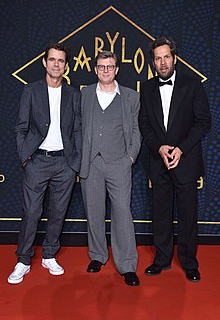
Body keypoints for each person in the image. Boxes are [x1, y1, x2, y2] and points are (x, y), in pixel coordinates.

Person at [8, 43, 81, 284]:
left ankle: (50, 254)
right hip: (37, 161)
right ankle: (23, 259)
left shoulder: (73, 94)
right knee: (31, 212)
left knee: (58, 212)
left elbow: (78, 129)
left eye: (61, 61)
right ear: (44, 63)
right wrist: (25, 158)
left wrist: (75, 162)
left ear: (66, 66)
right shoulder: (31, 91)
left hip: (64, 163)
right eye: (52, 60)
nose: (56, 64)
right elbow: (21, 127)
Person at [139, 37, 211, 282]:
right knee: (160, 213)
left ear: (174, 58)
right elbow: (144, 124)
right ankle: (162, 259)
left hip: (186, 161)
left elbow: (203, 122)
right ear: (153, 62)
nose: (162, 62)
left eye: (166, 57)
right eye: (157, 58)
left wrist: (180, 149)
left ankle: (189, 262)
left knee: (187, 214)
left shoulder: (192, 84)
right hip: (159, 162)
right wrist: (159, 147)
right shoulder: (147, 88)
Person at [80, 51, 141, 286]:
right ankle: (97, 256)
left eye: (110, 66)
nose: (105, 70)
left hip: (119, 163)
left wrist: (130, 157)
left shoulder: (130, 97)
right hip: (91, 163)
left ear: (116, 69)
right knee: (94, 212)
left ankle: (127, 264)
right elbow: (76, 126)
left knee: (122, 214)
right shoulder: (84, 94)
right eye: (101, 66)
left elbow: (136, 130)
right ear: (95, 69)